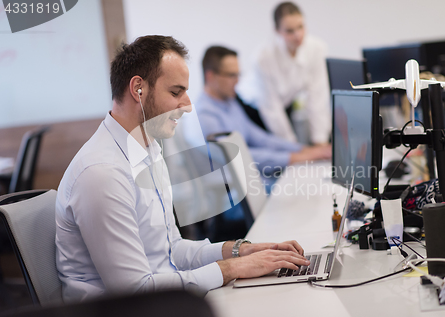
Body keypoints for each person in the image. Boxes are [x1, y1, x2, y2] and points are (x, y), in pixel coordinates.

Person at [55, 35, 310, 303]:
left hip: (162, 303)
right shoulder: (102, 173)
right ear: (138, 89)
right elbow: (134, 293)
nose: (188, 106)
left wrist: (241, 251)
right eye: (176, 92)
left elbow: (170, 250)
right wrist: (231, 269)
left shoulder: (148, 149)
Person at [196, 46, 331, 176]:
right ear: (211, 76)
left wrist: (304, 150)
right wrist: (296, 157)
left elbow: (261, 139)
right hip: (236, 189)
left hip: (253, 177)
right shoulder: (205, 115)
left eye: (238, 75)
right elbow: (237, 156)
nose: (237, 81)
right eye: (232, 75)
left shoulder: (230, 103)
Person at [238, 2, 331, 145]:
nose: (297, 35)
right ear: (277, 31)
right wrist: (294, 148)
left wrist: (320, 140)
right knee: (278, 154)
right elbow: (271, 109)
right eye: (289, 30)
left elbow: (317, 97)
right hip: (253, 108)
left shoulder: (317, 49)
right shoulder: (263, 57)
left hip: (284, 103)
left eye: (300, 27)